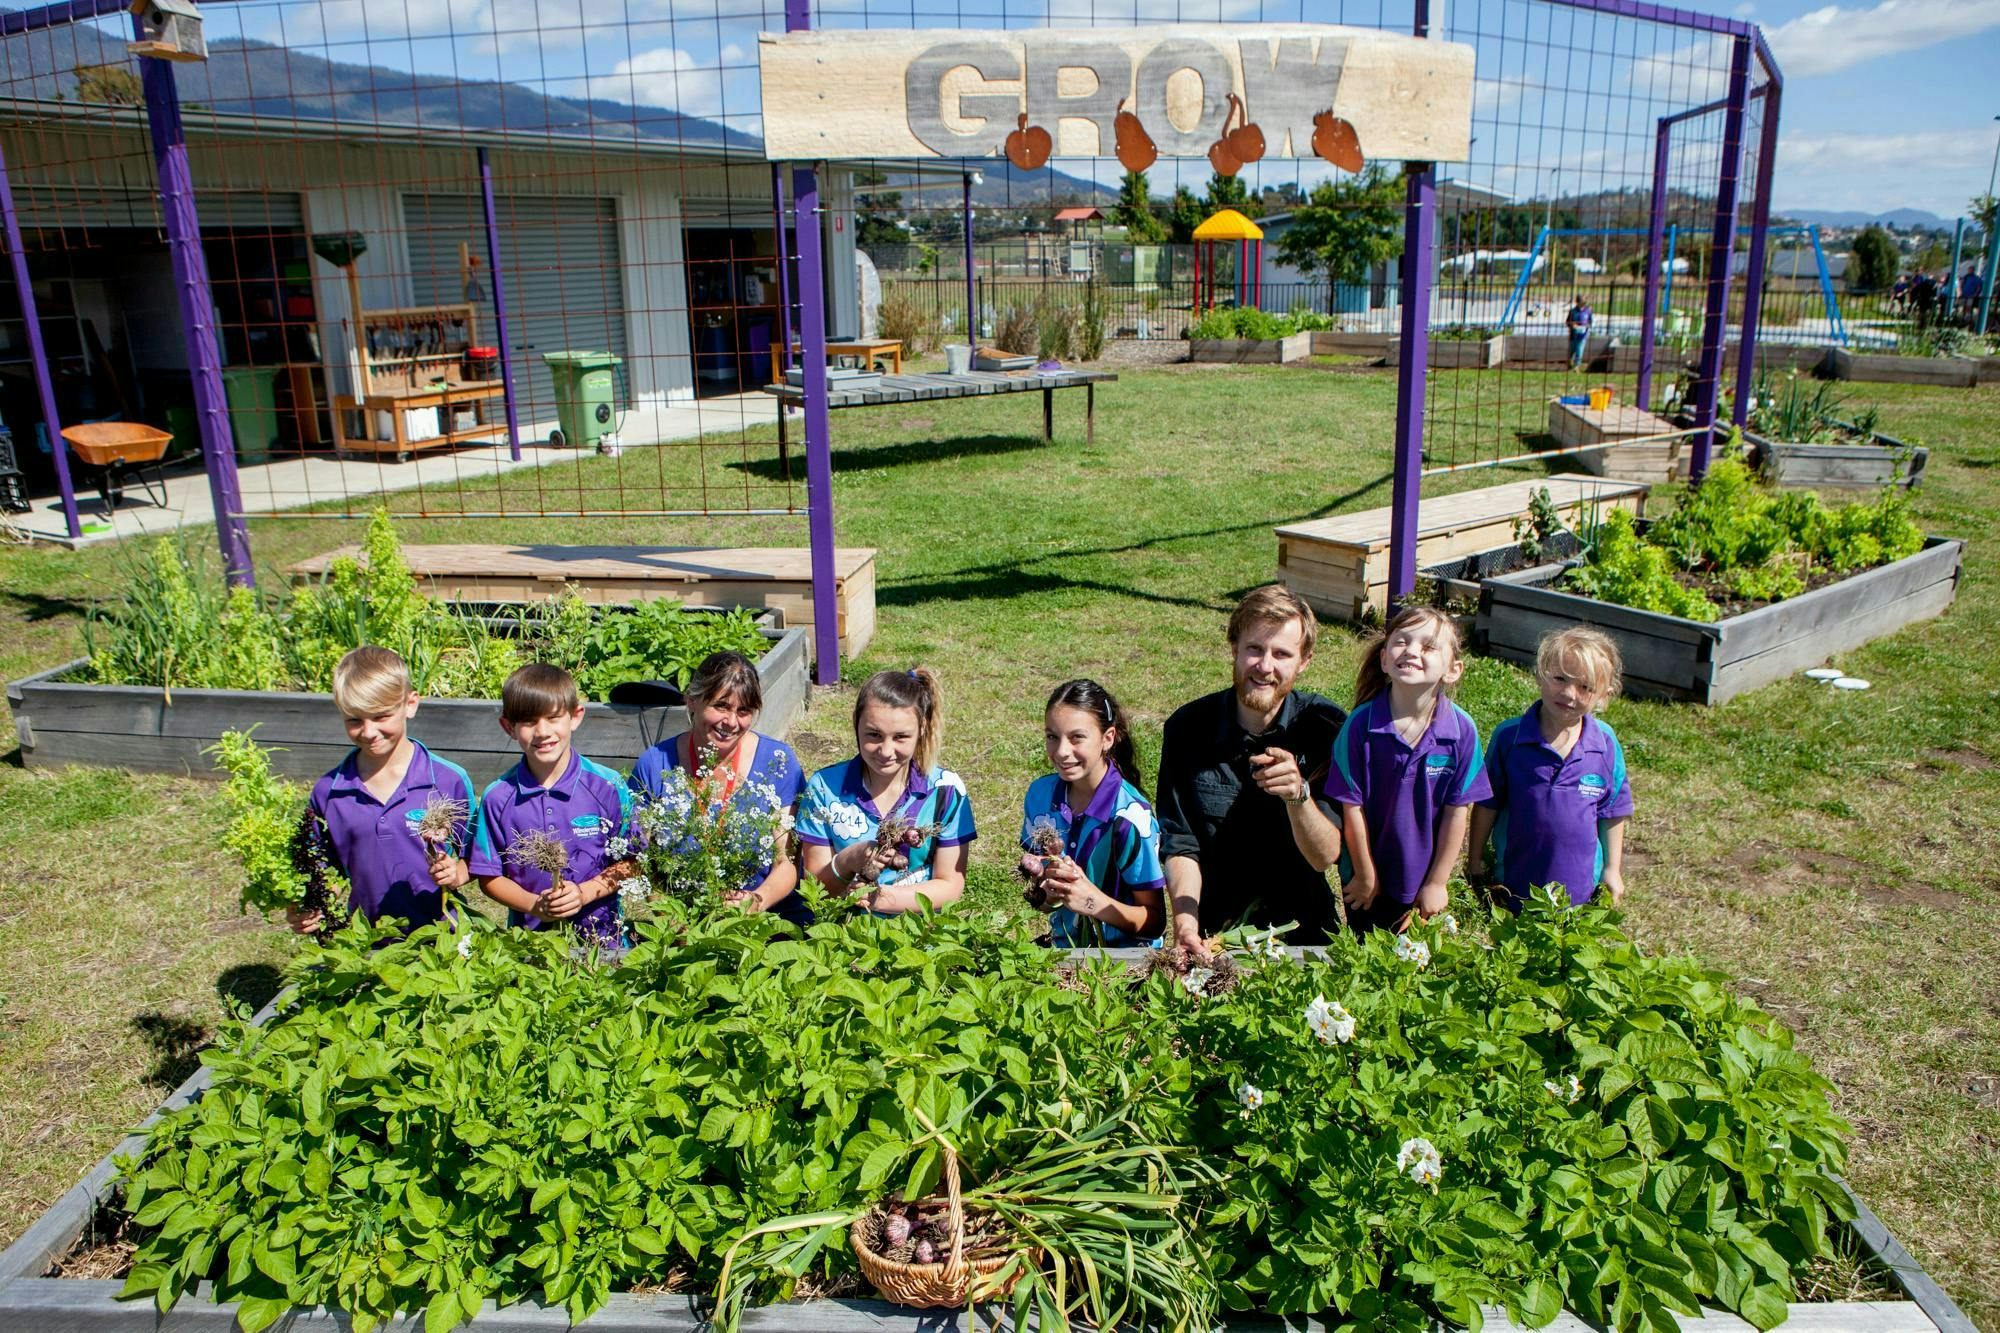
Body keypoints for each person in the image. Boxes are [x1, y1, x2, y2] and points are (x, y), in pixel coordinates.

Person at [1156, 586, 1346, 949]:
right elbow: (1181, 844)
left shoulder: (1326, 728)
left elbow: (1325, 856)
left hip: (1305, 931)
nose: (1265, 666)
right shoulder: (1188, 728)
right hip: (1217, 931)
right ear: (1235, 649)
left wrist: (1298, 797)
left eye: (1282, 654)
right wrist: (1185, 924)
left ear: (1304, 661)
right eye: (1255, 649)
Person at [289, 646, 480, 936]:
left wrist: (457, 874)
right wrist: (312, 904)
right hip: (369, 939)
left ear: (410, 704)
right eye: (354, 719)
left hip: (442, 937)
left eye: (380, 717)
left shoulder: (446, 780)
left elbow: (477, 855)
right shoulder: (330, 792)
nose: (368, 732)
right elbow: (326, 869)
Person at [1324, 608, 1490, 934]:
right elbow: (1351, 808)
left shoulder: (1462, 731)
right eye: (1401, 642)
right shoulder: (1360, 725)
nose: (1412, 651)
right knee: (1366, 960)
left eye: (1428, 647)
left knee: (1413, 966)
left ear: (1453, 670)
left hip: (1421, 882)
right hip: (1365, 878)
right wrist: (1365, 874)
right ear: (1385, 660)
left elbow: (1458, 813)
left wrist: (1438, 882)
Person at [628, 650, 805, 921]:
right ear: (692, 701)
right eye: (721, 706)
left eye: (744, 711)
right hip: (682, 921)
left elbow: (786, 861)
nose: (731, 722)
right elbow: (640, 862)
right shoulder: (656, 764)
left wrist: (757, 901)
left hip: (762, 921)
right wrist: (672, 921)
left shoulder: (778, 762)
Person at [469, 663, 635, 947]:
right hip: (532, 947)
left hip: (605, 942)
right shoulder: (499, 797)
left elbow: (633, 862)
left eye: (553, 717)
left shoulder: (608, 786)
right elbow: (489, 877)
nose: (542, 731)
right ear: (509, 727)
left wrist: (584, 893)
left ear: (575, 716)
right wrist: (535, 905)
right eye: (529, 722)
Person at [1467, 627, 1634, 908]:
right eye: (1560, 679)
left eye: (1585, 687)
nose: (1569, 693)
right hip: (1514, 886)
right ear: (1540, 674)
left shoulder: (1604, 743)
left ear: (1604, 695)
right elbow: (1487, 803)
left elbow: (1613, 810)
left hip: (1580, 890)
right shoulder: (1510, 738)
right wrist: (1475, 859)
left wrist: (1612, 870)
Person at [797, 667, 975, 913]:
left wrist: (880, 898)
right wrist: (848, 860)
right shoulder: (824, 788)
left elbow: (950, 884)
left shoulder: (945, 791)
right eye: (874, 735)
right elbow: (815, 889)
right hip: (840, 936)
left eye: (901, 737)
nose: (886, 751)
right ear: (855, 724)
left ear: (922, 729)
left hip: (919, 935)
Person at [1017, 679, 1166, 947]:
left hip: (1125, 966)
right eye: (1052, 736)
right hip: (1065, 954)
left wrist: (1091, 901)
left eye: (1077, 737)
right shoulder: (1039, 796)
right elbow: (1041, 893)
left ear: (1107, 738)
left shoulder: (1129, 819)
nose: (1062, 752)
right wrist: (1048, 897)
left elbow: (1155, 922)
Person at [1565, 295, 1593, 370]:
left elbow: (1590, 323)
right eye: (1581, 301)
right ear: (1577, 302)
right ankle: (1569, 364)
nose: (1583, 303)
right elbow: (1567, 322)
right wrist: (1572, 324)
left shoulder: (1588, 311)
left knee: (1579, 351)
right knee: (1571, 351)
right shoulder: (1573, 311)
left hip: (1582, 335)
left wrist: (1587, 326)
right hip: (1573, 335)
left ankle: (1577, 366)